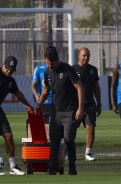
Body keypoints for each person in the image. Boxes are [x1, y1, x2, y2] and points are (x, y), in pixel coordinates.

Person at [37, 46, 84, 175]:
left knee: (69, 140)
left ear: (57, 60)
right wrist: (39, 104)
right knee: (54, 141)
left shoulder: (68, 70)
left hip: (70, 112)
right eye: (47, 63)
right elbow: (46, 90)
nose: (49, 65)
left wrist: (80, 108)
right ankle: (52, 169)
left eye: (51, 63)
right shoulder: (47, 73)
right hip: (55, 111)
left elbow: (79, 87)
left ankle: (72, 167)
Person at [72, 47, 101, 161]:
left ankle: (88, 152)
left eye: (88, 55)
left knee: (91, 127)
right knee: (71, 129)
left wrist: (99, 103)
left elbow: (96, 87)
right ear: (79, 56)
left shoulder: (93, 70)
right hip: (75, 105)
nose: (86, 58)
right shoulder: (72, 69)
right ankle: (69, 152)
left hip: (89, 104)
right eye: (84, 55)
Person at [31, 63, 54, 139]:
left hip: (55, 103)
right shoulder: (39, 69)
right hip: (43, 103)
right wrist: (36, 95)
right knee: (44, 129)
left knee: (55, 128)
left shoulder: (58, 68)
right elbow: (33, 85)